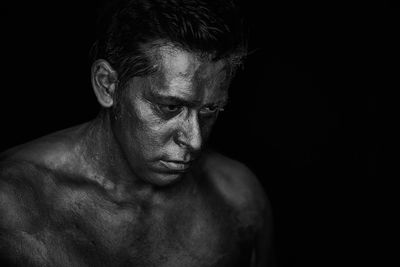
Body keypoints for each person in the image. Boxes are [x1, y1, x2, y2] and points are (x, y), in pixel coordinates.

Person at [0, 0, 274, 266]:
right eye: (169, 106)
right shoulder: (11, 206)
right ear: (108, 85)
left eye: (210, 110)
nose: (194, 140)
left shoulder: (238, 199)